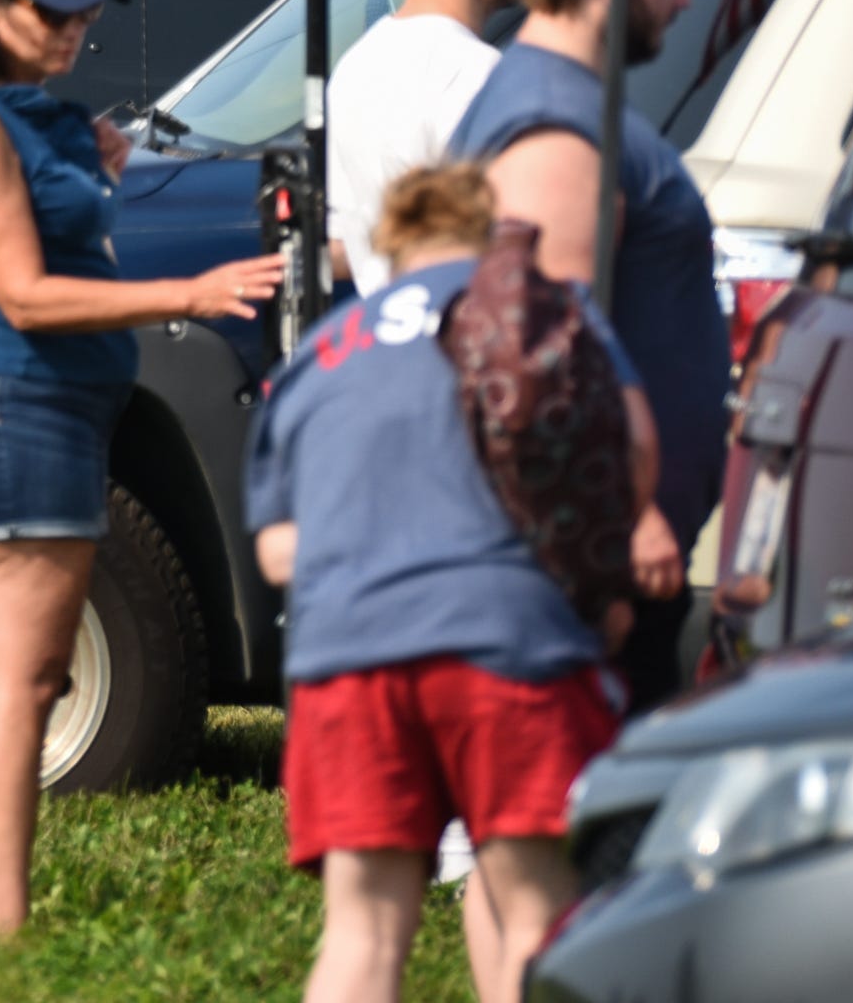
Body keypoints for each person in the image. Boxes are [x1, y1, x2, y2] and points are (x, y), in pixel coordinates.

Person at [0, 0, 286, 937]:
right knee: (22, 679)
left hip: (52, 403)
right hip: (4, 397)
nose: (73, 29)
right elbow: (24, 295)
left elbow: (59, 246)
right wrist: (191, 294)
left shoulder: (37, 117)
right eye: (50, 10)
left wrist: (97, 173)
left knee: (17, 674)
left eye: (84, 12)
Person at [246, 160, 654, 1003]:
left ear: (391, 246)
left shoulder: (321, 352)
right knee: (538, 913)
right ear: (485, 230)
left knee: (361, 933)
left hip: (350, 655)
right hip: (507, 642)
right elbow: (637, 451)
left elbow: (276, 552)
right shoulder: (540, 313)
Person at [453, 0, 723, 710]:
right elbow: (544, 358)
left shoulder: (571, 105)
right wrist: (621, 525)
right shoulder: (555, 133)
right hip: (594, 567)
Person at [323, 0, 528, 288]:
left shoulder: (355, 66)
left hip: (392, 337)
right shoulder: (478, 74)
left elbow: (348, 241)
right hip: (463, 339)